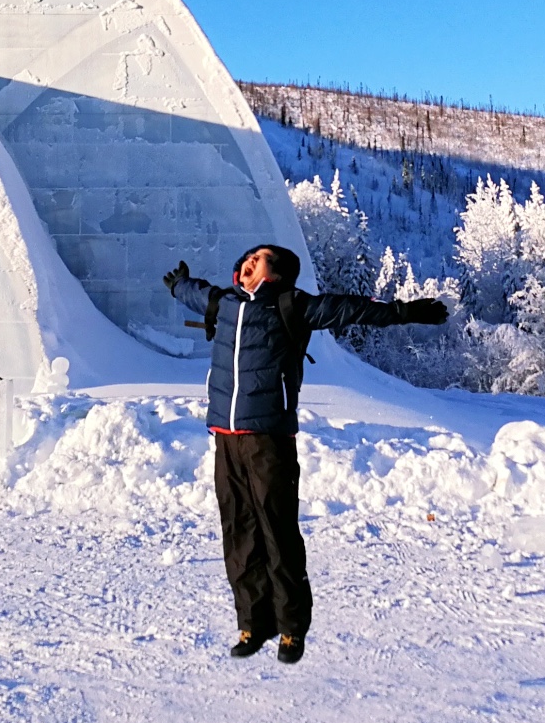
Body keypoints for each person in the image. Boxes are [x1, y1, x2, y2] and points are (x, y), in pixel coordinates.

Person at [164, 245, 448, 664]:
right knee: (239, 533)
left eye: (256, 260)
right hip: (226, 436)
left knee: (277, 533)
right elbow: (195, 292)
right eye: (245, 259)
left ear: (276, 273)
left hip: (269, 437)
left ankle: (291, 629)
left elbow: (348, 309)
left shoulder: (291, 304)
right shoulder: (225, 303)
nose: (246, 263)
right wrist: (179, 286)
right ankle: (252, 623)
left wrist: (403, 312)